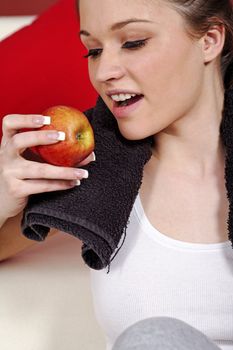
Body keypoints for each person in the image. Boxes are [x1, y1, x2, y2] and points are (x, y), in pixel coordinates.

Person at [0, 0, 233, 349]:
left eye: (133, 42)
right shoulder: (92, 168)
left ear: (210, 40)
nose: (104, 71)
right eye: (92, 50)